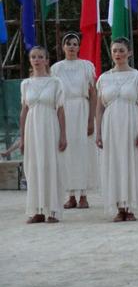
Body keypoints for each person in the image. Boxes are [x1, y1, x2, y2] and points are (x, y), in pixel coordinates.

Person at [95, 38, 138, 222]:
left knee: (131, 163)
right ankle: (119, 206)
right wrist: (98, 132)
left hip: (131, 122)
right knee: (114, 164)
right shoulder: (104, 78)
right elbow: (99, 108)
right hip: (111, 125)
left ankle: (130, 206)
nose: (118, 54)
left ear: (129, 53)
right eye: (115, 50)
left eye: (121, 50)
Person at [20, 46, 67, 224]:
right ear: (30, 60)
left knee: (50, 166)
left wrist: (63, 135)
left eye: (40, 57)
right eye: (33, 57)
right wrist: (22, 137)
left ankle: (53, 210)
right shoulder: (26, 84)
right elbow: (24, 111)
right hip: (32, 129)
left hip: (50, 127)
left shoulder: (56, 83)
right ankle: (37, 210)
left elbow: (61, 110)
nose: (37, 60)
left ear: (47, 60)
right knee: (34, 167)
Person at [51, 33, 97, 210]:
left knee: (83, 151)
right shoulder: (56, 69)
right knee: (67, 152)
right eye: (68, 44)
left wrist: (91, 119)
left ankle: (83, 194)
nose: (71, 47)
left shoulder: (86, 66)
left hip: (81, 109)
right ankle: (70, 194)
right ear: (63, 47)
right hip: (64, 111)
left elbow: (93, 94)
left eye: (75, 44)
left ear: (79, 47)